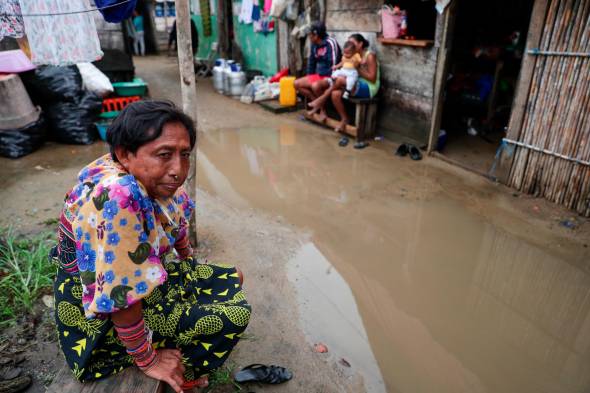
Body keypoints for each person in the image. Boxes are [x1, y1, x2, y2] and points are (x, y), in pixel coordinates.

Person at [50, 100, 250, 392]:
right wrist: (147, 359)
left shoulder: (142, 175)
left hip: (131, 282)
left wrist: (187, 258)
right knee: (235, 315)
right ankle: (182, 374)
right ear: (125, 154)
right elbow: (120, 295)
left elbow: (174, 217)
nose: (178, 169)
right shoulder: (119, 196)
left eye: (185, 154)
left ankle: (174, 350)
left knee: (234, 276)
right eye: (164, 154)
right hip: (97, 316)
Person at [309, 33, 380, 134]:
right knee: (335, 94)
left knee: (340, 80)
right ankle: (344, 118)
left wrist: (357, 68)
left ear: (360, 44)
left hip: (369, 87)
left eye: (353, 43)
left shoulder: (370, 56)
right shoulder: (352, 55)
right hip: (354, 82)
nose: (350, 45)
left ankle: (322, 99)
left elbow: (372, 79)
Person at [293, 21, 340, 119]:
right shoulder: (314, 44)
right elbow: (311, 62)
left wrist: (329, 80)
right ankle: (318, 106)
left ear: (316, 35)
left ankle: (322, 110)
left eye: (310, 34)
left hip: (331, 76)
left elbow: (335, 64)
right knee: (296, 84)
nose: (309, 36)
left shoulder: (330, 43)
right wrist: (309, 77)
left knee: (315, 86)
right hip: (319, 76)